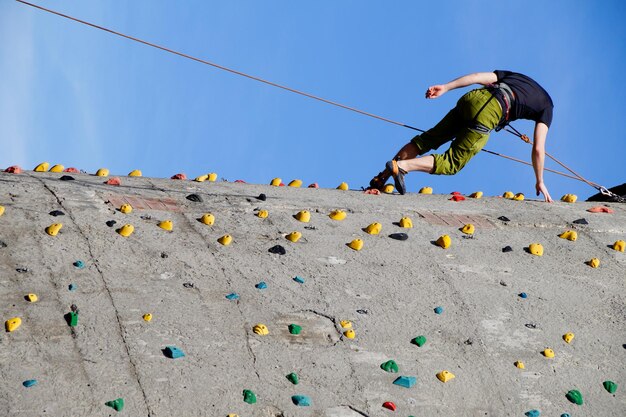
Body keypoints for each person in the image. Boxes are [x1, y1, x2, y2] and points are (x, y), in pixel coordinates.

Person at [368, 70, 554, 202]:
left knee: (428, 139)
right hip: (490, 113)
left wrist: (446, 87)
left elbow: (476, 77)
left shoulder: (518, 77)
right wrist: (540, 181)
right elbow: (538, 149)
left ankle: (382, 177)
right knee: (453, 162)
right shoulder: (547, 106)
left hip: (472, 98)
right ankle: (402, 166)